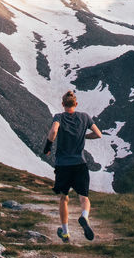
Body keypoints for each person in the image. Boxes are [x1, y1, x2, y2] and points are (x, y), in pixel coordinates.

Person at [43, 90, 102, 242]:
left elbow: (54, 131)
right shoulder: (85, 117)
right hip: (80, 163)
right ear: (76, 104)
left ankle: (65, 232)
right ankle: (84, 217)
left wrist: (48, 146)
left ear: (63, 104)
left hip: (63, 164)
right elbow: (98, 134)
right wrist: (84, 135)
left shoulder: (59, 117)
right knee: (84, 197)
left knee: (64, 198)